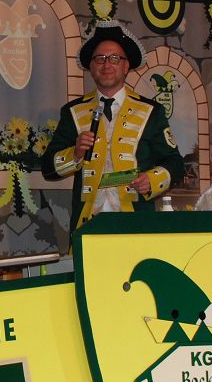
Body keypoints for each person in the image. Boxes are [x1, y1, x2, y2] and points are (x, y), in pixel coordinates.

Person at [41, 20, 184, 233]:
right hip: (88, 226)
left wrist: (152, 180)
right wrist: (75, 154)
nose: (107, 65)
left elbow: (175, 163)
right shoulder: (73, 112)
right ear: (91, 67)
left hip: (137, 225)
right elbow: (48, 169)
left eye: (115, 58)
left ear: (126, 67)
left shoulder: (151, 111)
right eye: (99, 59)